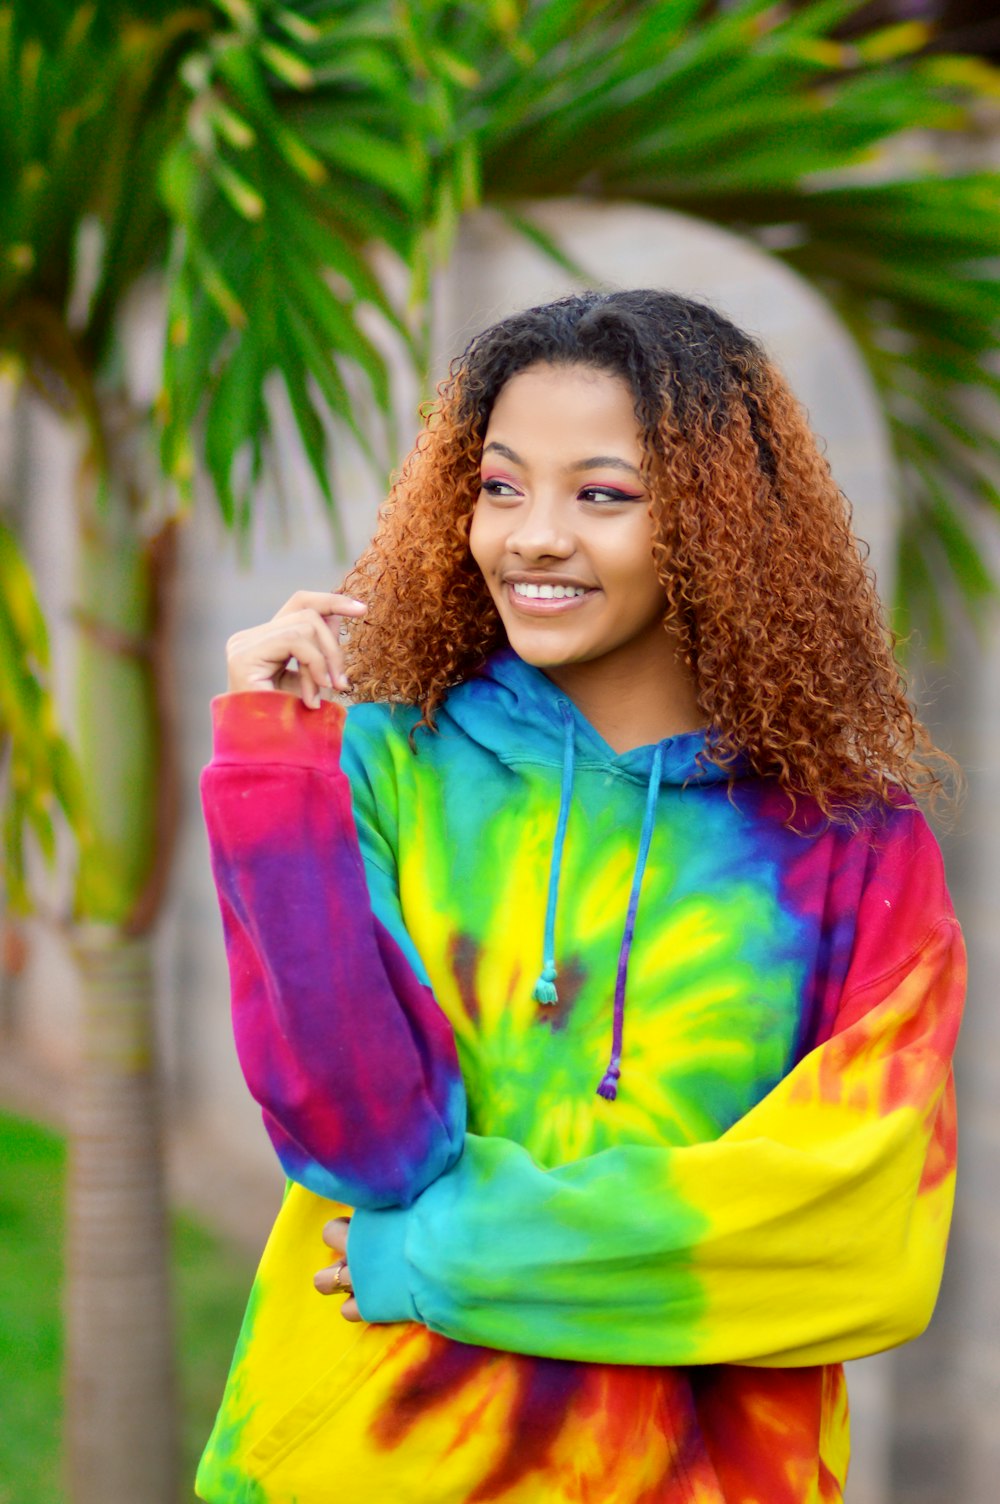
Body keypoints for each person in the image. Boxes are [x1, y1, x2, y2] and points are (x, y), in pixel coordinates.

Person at [198, 289, 965, 1504]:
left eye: (600, 494)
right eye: (500, 487)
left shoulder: (850, 847)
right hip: (370, 1463)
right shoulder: (387, 760)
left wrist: (448, 1249)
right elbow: (365, 1144)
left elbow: (855, 1232)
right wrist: (264, 772)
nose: (532, 536)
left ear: (719, 523)